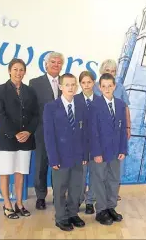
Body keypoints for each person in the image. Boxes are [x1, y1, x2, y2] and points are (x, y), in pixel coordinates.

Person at [43, 73, 88, 231]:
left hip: (78, 156)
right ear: (60, 86)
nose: (71, 87)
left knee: (76, 187)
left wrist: (85, 155)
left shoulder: (81, 106)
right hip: (60, 157)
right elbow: (49, 136)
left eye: (73, 84)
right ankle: (61, 217)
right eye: (67, 84)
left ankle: (72, 213)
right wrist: (53, 159)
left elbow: (85, 133)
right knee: (60, 188)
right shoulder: (51, 107)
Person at [0, 58, 39, 219]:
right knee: (5, 172)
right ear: (9, 71)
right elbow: (0, 115)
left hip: (26, 138)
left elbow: (36, 115)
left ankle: (19, 203)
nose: (18, 73)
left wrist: (28, 131)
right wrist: (15, 133)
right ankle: (7, 204)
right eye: (15, 69)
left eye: (21, 70)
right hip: (7, 139)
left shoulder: (30, 91)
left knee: (21, 171)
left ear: (25, 72)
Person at [90, 73, 128, 225]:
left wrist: (123, 149)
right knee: (99, 180)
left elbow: (123, 128)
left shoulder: (120, 105)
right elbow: (93, 131)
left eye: (109, 86)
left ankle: (111, 207)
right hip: (100, 151)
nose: (107, 88)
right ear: (99, 87)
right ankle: (101, 210)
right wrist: (96, 152)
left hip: (115, 150)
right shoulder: (94, 105)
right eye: (103, 86)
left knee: (114, 179)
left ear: (114, 87)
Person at [29, 51, 64, 210]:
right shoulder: (35, 82)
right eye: (53, 62)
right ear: (46, 64)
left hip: (61, 132)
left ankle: (58, 195)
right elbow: (32, 109)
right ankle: (41, 197)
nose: (56, 65)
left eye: (59, 62)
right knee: (41, 164)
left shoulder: (66, 82)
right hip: (42, 131)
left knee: (59, 165)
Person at [94, 59, 131, 200]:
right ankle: (97, 195)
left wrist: (128, 126)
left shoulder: (120, 88)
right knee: (99, 166)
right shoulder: (94, 87)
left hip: (116, 133)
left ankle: (113, 193)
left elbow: (126, 108)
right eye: (108, 70)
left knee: (116, 165)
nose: (111, 73)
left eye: (113, 71)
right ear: (102, 72)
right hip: (100, 134)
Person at [75, 71, 98, 214]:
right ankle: (78, 199)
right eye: (83, 82)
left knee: (95, 173)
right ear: (80, 84)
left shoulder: (100, 100)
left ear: (93, 83)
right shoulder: (75, 99)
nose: (86, 85)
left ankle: (90, 201)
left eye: (89, 82)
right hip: (80, 144)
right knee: (80, 174)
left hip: (96, 145)